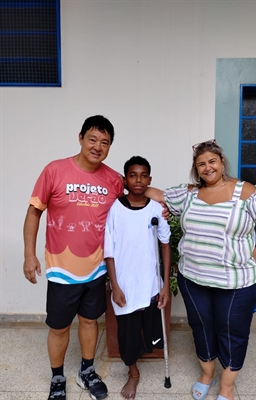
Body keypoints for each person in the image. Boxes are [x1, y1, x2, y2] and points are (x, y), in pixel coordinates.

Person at [145, 139, 256, 400]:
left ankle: (227, 387)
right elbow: (156, 194)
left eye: (212, 161)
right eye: (201, 164)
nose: (207, 168)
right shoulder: (189, 194)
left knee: (231, 330)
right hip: (193, 279)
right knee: (201, 326)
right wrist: (119, 181)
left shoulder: (245, 192)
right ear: (196, 169)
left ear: (221, 163)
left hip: (237, 283)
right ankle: (207, 374)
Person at [23, 115, 124, 400]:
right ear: (80, 138)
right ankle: (57, 377)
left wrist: (163, 201)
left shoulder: (113, 179)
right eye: (92, 139)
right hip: (61, 268)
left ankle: (87, 371)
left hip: (96, 268)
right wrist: (29, 255)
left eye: (105, 142)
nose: (98, 146)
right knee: (59, 327)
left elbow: (136, 197)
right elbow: (34, 213)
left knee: (91, 322)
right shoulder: (55, 170)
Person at [104, 156, 171, 400]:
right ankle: (133, 373)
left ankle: (143, 355)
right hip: (125, 284)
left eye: (143, 175)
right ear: (125, 179)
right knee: (127, 333)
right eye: (133, 175)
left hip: (150, 283)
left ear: (150, 179)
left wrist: (163, 285)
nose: (138, 180)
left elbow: (165, 245)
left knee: (149, 328)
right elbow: (109, 250)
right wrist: (114, 285)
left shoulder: (156, 209)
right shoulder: (115, 209)